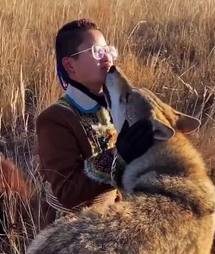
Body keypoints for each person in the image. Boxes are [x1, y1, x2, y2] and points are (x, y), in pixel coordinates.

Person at [36, 19, 154, 222]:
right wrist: (120, 156)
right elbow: (68, 192)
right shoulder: (54, 119)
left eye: (108, 50)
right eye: (97, 51)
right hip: (72, 231)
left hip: (111, 219)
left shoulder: (114, 105)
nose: (107, 57)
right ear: (69, 65)